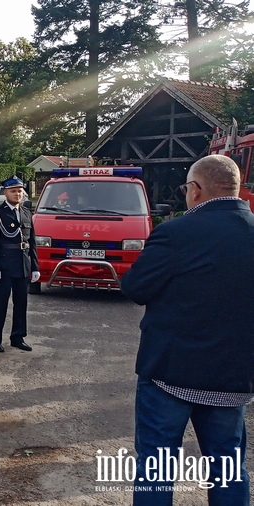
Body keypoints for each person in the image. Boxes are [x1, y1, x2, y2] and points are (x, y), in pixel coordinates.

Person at [121, 154, 253, 505]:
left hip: (170, 373)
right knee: (229, 468)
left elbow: (136, 288)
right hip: (233, 378)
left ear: (195, 190)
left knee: (156, 468)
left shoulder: (176, 233)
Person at [0, 176, 38, 353]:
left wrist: (35, 267)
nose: (17, 194)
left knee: (21, 302)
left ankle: (18, 337)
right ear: (5, 192)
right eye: (13, 191)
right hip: (4, 266)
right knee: (0, 303)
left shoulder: (27, 213)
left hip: (23, 264)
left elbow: (32, 242)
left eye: (20, 191)